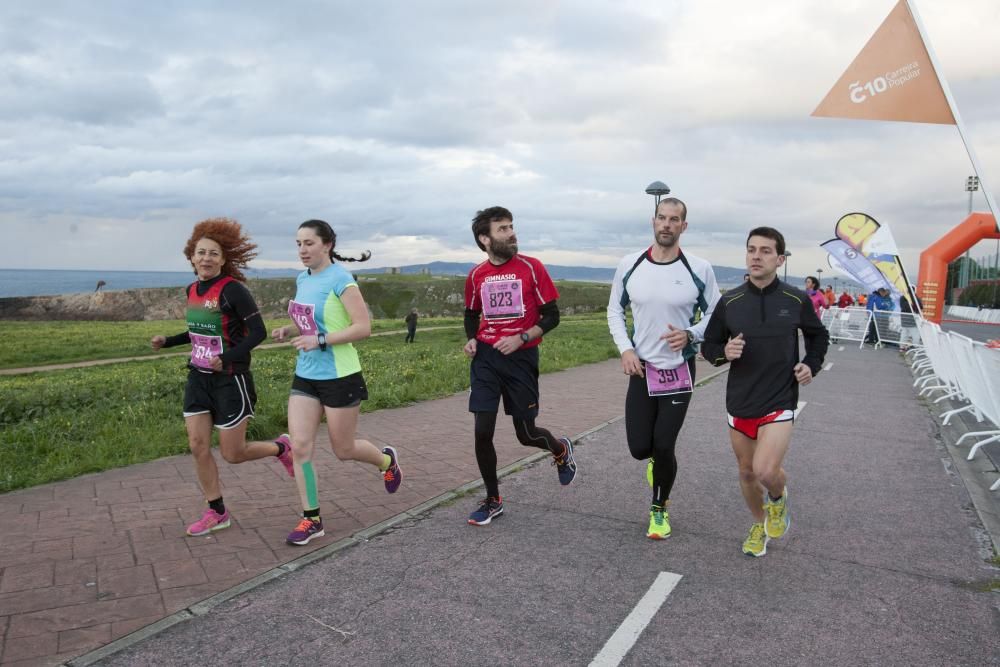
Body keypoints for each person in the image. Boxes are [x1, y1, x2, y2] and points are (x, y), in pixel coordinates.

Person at [151, 218, 294, 537]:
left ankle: (282, 448)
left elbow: (258, 332)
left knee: (233, 453)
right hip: (198, 379)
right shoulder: (192, 290)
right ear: (191, 257)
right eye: (201, 252)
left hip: (231, 379)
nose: (206, 258)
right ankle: (217, 512)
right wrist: (169, 341)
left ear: (223, 259)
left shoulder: (233, 290)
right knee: (197, 445)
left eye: (213, 253)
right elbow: (198, 330)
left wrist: (225, 358)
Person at [271, 219, 402, 546]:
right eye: (298, 243)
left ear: (327, 245)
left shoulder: (342, 280)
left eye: (309, 243)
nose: (302, 250)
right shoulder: (303, 278)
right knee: (300, 447)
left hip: (340, 375)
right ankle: (311, 518)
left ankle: (386, 461)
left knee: (343, 449)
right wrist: (290, 330)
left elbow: (362, 327)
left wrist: (321, 339)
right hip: (306, 374)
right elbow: (307, 318)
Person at [701, 227, 828, 557]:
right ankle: (759, 523)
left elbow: (818, 336)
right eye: (751, 249)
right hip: (740, 399)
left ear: (780, 259)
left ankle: (777, 498)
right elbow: (710, 345)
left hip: (779, 398)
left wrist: (810, 364)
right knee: (746, 471)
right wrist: (722, 353)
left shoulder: (795, 299)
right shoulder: (730, 301)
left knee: (765, 470)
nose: (756, 256)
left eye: (765, 251)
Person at [608, 197, 720, 540]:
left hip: (679, 369)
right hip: (642, 370)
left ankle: (659, 508)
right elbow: (614, 310)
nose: (667, 224)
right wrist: (626, 349)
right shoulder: (631, 264)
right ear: (653, 221)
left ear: (683, 226)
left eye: (674, 220)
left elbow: (717, 314)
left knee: (664, 443)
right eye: (662, 218)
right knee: (640, 448)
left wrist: (691, 334)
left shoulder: (698, 269)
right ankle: (657, 463)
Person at [463, 206, 576, 526]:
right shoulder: (476, 275)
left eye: (511, 226)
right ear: (485, 239)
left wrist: (522, 337)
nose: (511, 233)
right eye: (502, 229)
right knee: (482, 431)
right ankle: (493, 499)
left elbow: (552, 316)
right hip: (486, 358)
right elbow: (471, 313)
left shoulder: (531, 267)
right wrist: (472, 338)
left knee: (525, 433)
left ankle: (559, 449)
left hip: (521, 358)